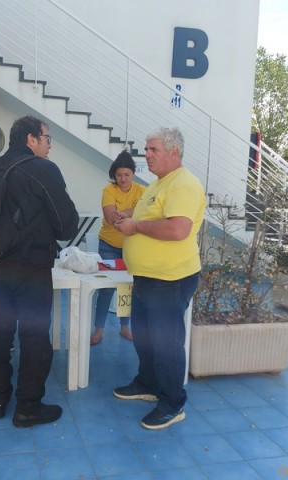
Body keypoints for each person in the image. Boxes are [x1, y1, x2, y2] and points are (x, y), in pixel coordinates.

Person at [0, 115, 79, 427]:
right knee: (34, 335)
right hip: (31, 267)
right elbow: (67, 226)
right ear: (32, 139)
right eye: (47, 139)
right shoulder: (44, 170)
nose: (49, 146)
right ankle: (28, 407)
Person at [112, 127, 205, 430]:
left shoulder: (183, 184)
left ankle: (172, 404)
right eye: (146, 149)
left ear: (173, 152)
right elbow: (150, 217)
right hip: (147, 276)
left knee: (166, 344)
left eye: (153, 149)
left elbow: (178, 229)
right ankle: (148, 383)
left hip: (170, 278)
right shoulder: (158, 184)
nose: (147, 155)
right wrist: (129, 218)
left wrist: (136, 227)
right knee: (144, 335)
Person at [91, 151, 145, 345]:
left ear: (133, 174)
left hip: (132, 247)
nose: (123, 179)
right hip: (109, 246)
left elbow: (146, 213)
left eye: (127, 175)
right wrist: (133, 213)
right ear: (114, 175)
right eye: (119, 175)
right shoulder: (109, 190)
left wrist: (123, 212)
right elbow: (110, 217)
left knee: (127, 288)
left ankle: (124, 327)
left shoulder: (142, 191)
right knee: (106, 289)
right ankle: (98, 329)